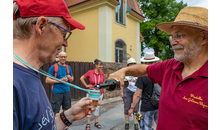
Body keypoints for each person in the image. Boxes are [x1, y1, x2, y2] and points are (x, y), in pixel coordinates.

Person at [108, 6, 208, 130]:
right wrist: (124, 71)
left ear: (203, 37)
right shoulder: (170, 66)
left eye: (179, 35)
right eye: (171, 37)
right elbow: (144, 70)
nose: (172, 42)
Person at [13, 0, 99, 130]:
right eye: (64, 34)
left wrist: (69, 116)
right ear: (41, 26)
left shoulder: (30, 73)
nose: (66, 44)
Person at [128, 52, 160, 130]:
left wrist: (132, 107)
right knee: (160, 126)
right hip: (159, 105)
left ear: (145, 62)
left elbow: (137, 94)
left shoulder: (142, 75)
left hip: (147, 107)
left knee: (146, 127)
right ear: (155, 62)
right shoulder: (160, 73)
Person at [45, 51, 74, 118]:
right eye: (61, 57)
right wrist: (59, 81)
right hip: (57, 92)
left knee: (66, 110)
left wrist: (70, 78)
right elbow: (47, 80)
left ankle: (64, 127)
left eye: (65, 57)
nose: (63, 58)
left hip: (66, 91)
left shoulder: (68, 67)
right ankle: (53, 126)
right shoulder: (53, 67)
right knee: (54, 111)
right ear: (58, 57)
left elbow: (72, 78)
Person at [80, 59, 104, 130]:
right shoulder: (90, 72)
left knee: (97, 107)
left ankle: (96, 122)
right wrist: (86, 85)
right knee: (90, 107)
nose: (101, 66)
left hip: (99, 93)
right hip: (91, 93)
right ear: (96, 65)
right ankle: (88, 123)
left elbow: (102, 83)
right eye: (100, 65)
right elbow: (81, 78)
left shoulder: (102, 73)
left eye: (101, 65)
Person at [123, 58, 139, 130]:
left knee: (136, 108)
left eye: (133, 64)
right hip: (127, 91)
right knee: (127, 107)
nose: (132, 65)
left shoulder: (138, 73)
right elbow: (122, 83)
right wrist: (121, 92)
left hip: (136, 92)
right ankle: (127, 123)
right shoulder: (125, 73)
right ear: (128, 65)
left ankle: (136, 124)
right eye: (131, 64)